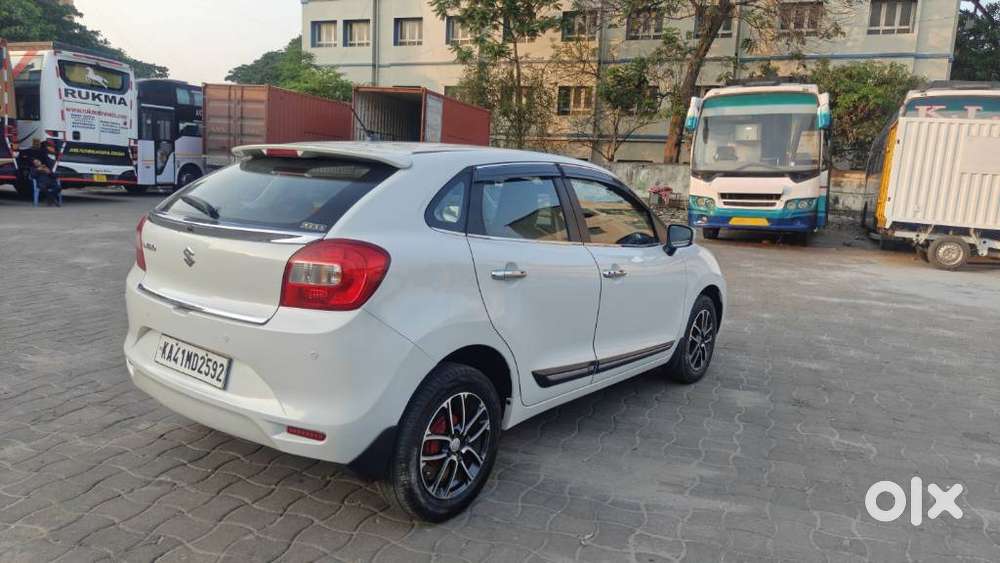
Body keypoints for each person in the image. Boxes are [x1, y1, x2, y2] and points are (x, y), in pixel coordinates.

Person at [26, 140, 61, 206]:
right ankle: (53, 199)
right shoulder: (33, 169)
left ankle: (50, 199)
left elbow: (56, 175)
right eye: (35, 162)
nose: (37, 162)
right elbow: (31, 176)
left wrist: (49, 172)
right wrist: (38, 170)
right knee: (43, 188)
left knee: (58, 187)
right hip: (42, 183)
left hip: (51, 182)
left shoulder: (47, 166)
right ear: (34, 164)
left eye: (38, 161)